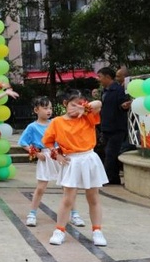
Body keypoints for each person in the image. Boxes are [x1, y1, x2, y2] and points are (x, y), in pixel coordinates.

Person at [42, 89, 108, 247]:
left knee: (93, 197)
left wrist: (84, 108)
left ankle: (97, 231)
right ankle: (59, 230)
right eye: (73, 104)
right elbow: (48, 141)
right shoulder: (57, 122)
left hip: (89, 158)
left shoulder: (87, 116)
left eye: (81, 104)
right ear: (65, 104)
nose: (77, 108)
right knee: (68, 199)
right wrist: (56, 154)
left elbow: (98, 103)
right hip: (71, 161)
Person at [18, 96, 85, 228]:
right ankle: (32, 214)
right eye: (45, 108)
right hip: (46, 156)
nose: (48, 111)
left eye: (50, 108)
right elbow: (23, 142)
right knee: (41, 187)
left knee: (68, 187)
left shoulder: (56, 122)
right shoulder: (32, 126)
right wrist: (36, 153)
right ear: (36, 110)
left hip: (60, 155)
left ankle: (75, 214)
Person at [97, 66, 130, 185]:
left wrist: (124, 106)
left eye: (100, 77)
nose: (99, 79)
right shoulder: (105, 91)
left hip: (116, 128)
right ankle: (114, 178)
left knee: (111, 154)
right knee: (109, 153)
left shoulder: (118, 90)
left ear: (107, 77)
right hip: (106, 128)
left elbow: (123, 104)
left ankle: (109, 178)